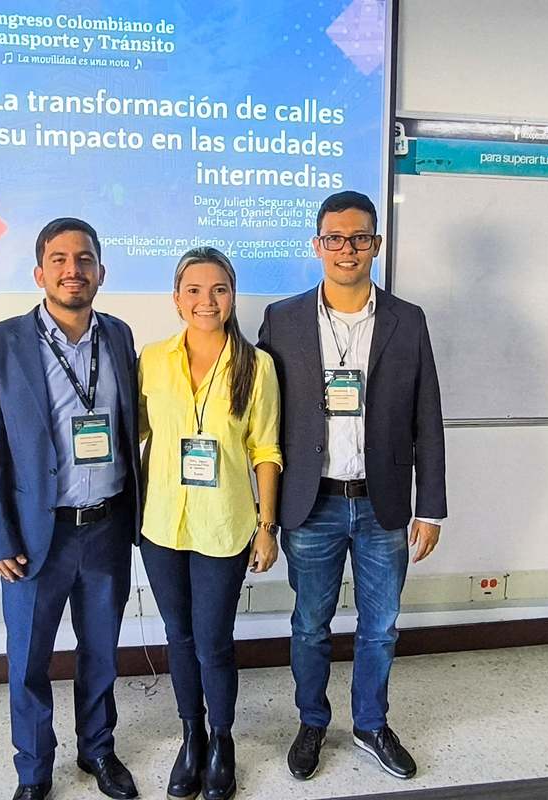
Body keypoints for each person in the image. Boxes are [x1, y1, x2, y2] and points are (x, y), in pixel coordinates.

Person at [257, 191, 447, 782]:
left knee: (380, 625)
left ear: (376, 245)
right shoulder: (281, 319)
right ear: (318, 246)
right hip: (309, 504)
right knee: (310, 624)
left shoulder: (406, 320)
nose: (347, 249)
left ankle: (370, 723)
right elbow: (263, 417)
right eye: (334, 238)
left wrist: (432, 508)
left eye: (359, 238)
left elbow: (426, 416)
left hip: (382, 503)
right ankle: (312, 720)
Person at [0, 218, 141, 800]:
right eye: (60, 259)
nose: (73, 269)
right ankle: (34, 769)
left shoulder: (118, 336)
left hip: (107, 527)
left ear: (100, 272)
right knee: (29, 662)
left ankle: (98, 750)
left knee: (100, 653)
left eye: (85, 258)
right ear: (39, 272)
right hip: (37, 537)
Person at [138, 247, 283, 800]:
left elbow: (266, 448)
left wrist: (267, 525)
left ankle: (223, 740)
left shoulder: (256, 364)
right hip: (162, 526)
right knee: (179, 637)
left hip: (224, 523)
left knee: (213, 643)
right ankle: (191, 736)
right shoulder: (151, 359)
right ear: (176, 299)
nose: (206, 300)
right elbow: (135, 436)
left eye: (218, 289)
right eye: (193, 290)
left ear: (232, 296)